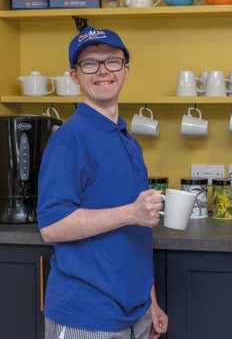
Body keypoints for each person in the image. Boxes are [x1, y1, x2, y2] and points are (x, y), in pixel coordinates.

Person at [37, 27, 168, 339]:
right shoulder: (69, 141)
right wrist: (129, 213)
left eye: (112, 62)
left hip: (134, 313)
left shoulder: (127, 141)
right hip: (86, 316)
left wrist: (150, 304)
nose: (102, 71)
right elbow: (51, 226)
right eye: (89, 64)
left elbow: (137, 233)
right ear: (74, 76)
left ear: (126, 71)